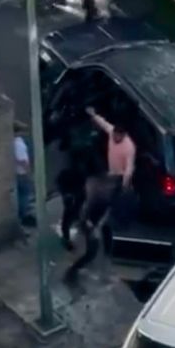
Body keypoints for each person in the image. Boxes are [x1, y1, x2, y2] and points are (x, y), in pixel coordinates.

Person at [62, 107, 135, 284]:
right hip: (92, 213)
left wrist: (125, 180)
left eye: (119, 137)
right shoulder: (94, 187)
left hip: (116, 176)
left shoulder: (128, 147)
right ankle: (73, 270)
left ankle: (103, 252)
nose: (116, 139)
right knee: (92, 247)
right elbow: (105, 125)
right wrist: (93, 114)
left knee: (103, 233)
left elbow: (130, 167)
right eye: (115, 136)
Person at [13, 122, 36, 227]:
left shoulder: (12, 142)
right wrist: (29, 173)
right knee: (25, 195)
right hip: (22, 173)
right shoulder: (18, 144)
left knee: (21, 194)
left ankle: (23, 213)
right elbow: (23, 161)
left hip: (16, 173)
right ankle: (24, 215)